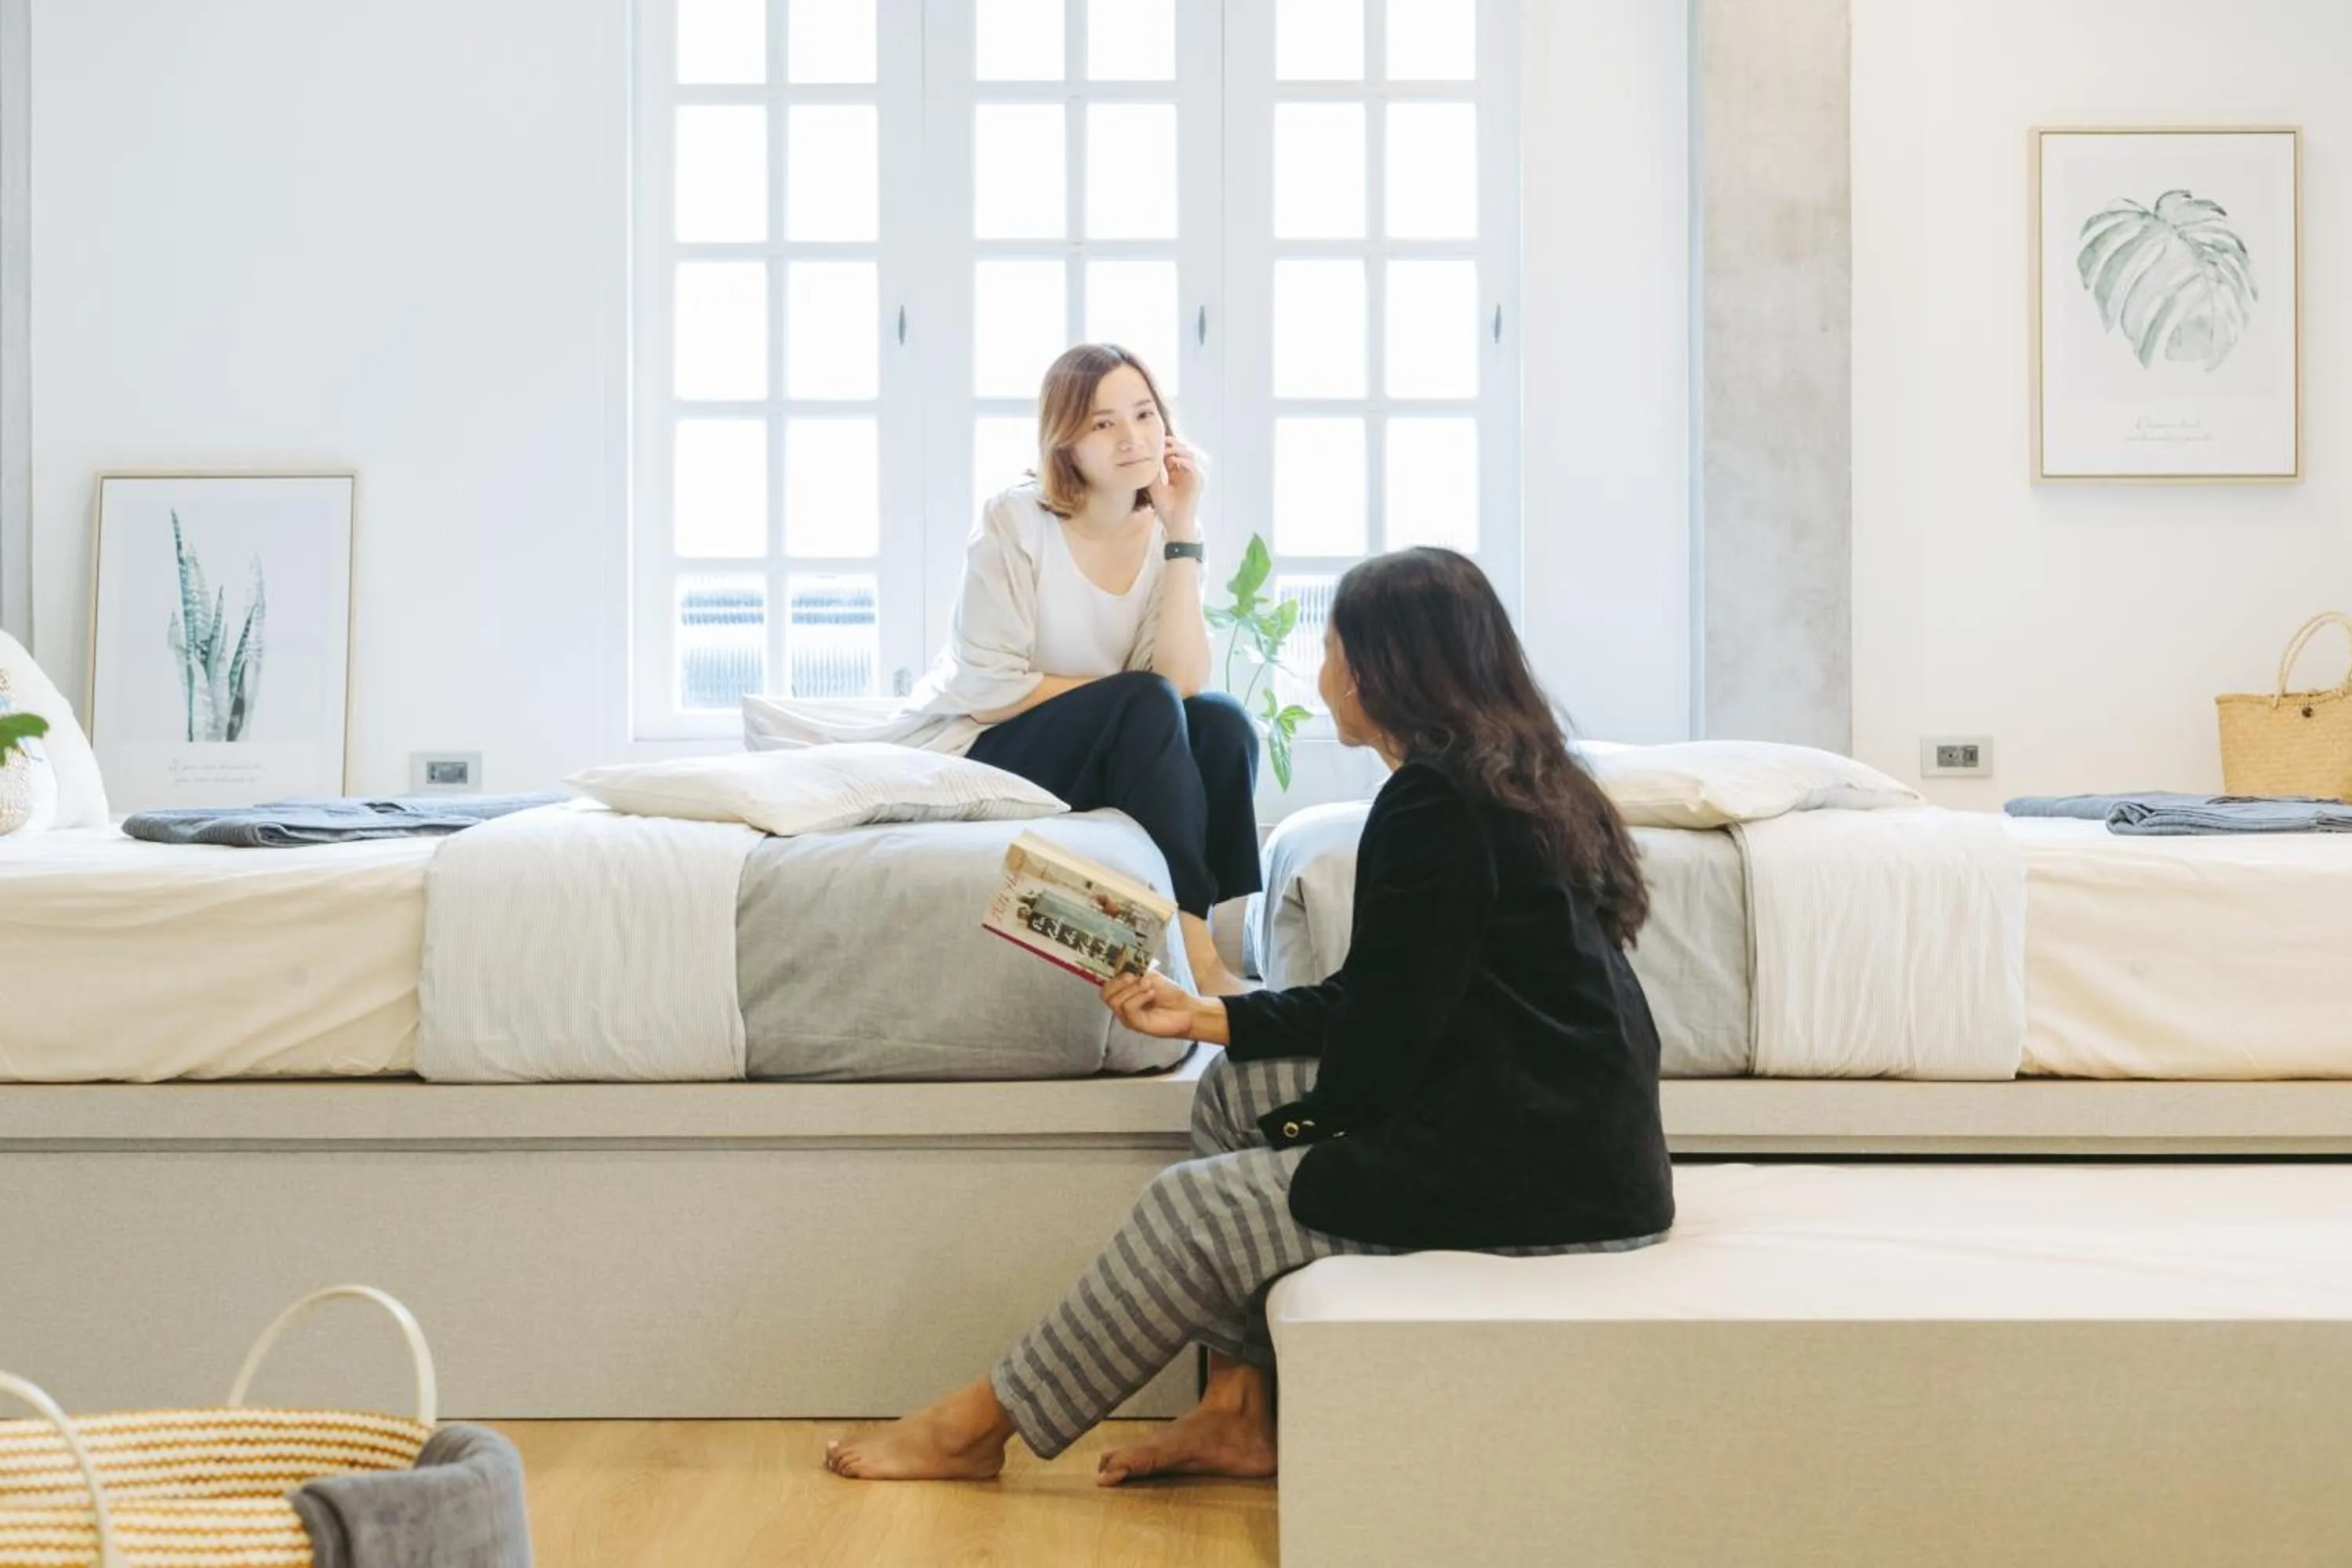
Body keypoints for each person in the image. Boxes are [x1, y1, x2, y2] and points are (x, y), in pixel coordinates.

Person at [824, 546, 1677, 1486]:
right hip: (1555, 1121)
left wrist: (1293, 1135)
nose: (1324, 673)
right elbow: (1392, 1002)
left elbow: (1383, 1046)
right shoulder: (1511, 778)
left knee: (1194, 1208)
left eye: (1332, 649)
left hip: (1539, 1167)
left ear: (1381, 669)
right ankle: (1237, 1411)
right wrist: (1207, 1021)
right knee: (1238, 1094)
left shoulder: (1434, 803)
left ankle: (981, 1426)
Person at [749, 342, 1257, 995]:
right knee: (1147, 701)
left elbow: (1182, 683)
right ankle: (1199, 964)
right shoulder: (1015, 520)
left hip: (1111, 746)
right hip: (993, 744)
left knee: (1220, 722)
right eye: (1103, 424)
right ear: (1065, 440)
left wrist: (1183, 527)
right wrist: (1125, 704)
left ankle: (1199, 937)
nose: (1133, 439)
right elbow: (989, 690)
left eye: (1144, 414)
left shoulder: (1164, 532)